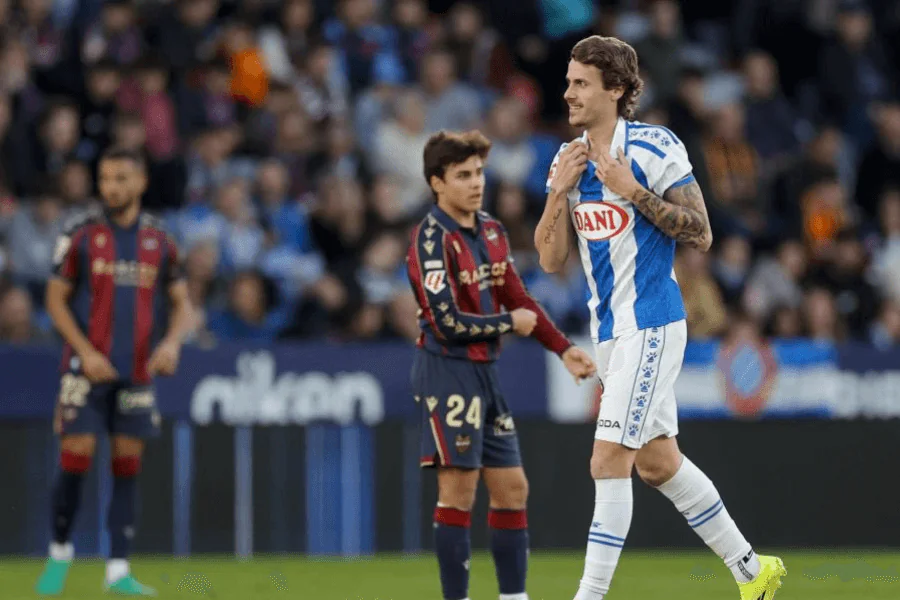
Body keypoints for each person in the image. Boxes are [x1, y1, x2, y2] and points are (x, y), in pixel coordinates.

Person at [534, 36, 787, 600]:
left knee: (607, 458)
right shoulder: (568, 158)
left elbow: (702, 232)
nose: (568, 92)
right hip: (608, 332)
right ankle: (753, 571)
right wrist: (557, 193)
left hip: (652, 321)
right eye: (569, 81)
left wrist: (633, 191)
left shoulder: (653, 147)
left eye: (581, 83)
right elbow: (551, 261)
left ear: (615, 89)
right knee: (657, 463)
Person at [407, 129, 596, 600]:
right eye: (463, 175)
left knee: (513, 489)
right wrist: (508, 323)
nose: (476, 183)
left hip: (484, 373)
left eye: (479, 173)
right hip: (447, 371)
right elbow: (445, 321)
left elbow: (517, 294)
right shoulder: (430, 239)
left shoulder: (490, 229)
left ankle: (514, 597)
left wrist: (562, 347)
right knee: (459, 493)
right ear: (437, 183)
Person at [36, 147, 192, 596]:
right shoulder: (81, 233)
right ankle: (60, 554)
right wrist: (85, 351)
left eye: (121, 178)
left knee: (127, 465)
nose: (111, 188)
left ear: (141, 182)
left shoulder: (161, 240)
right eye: (105, 179)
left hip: (136, 371)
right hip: (85, 369)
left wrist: (172, 342)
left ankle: (117, 570)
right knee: (77, 454)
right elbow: (55, 300)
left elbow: (182, 302)